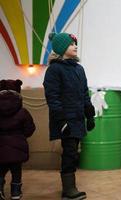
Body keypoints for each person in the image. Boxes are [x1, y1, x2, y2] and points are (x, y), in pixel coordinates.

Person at [43, 32, 95, 200]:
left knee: (74, 152)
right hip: (65, 120)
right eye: (72, 44)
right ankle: (68, 190)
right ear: (61, 48)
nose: (75, 46)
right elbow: (53, 97)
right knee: (70, 153)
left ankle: (70, 188)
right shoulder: (54, 70)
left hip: (78, 118)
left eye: (75, 44)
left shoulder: (79, 69)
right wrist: (62, 121)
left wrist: (90, 114)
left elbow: (84, 94)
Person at [0, 79, 36, 200]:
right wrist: (21, 136)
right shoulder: (23, 112)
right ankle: (15, 192)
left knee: (0, 169)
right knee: (16, 171)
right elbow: (30, 128)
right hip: (18, 146)